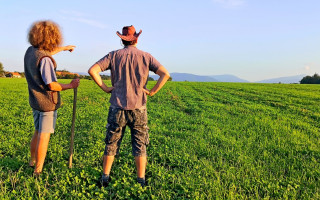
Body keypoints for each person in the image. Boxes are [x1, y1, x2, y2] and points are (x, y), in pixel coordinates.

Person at [88, 25, 170, 187]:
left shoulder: (113, 55)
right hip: (139, 107)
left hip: (117, 106)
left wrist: (105, 88)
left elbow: (93, 70)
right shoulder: (146, 57)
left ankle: (105, 177)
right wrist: (152, 91)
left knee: (111, 142)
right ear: (136, 39)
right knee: (140, 143)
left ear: (122, 39)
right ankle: (141, 180)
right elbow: (165, 74)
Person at [24, 20, 80, 175]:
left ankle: (32, 161)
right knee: (44, 136)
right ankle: (38, 170)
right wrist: (71, 85)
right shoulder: (46, 60)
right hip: (47, 103)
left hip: (35, 101)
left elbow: (45, 52)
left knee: (37, 131)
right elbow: (52, 85)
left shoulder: (31, 51)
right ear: (52, 38)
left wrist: (63, 49)